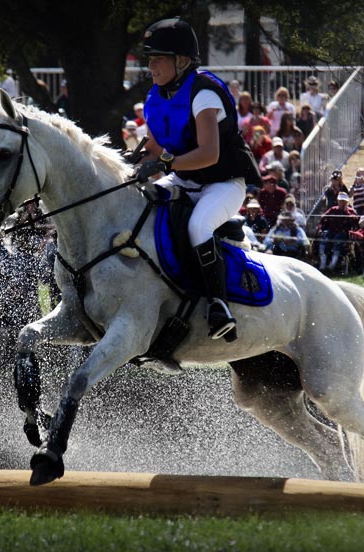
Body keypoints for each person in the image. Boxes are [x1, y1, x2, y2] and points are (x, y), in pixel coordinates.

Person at [136, 17, 262, 341]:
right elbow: (154, 148)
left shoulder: (204, 93)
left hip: (222, 183)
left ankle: (219, 304)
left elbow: (209, 154)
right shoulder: (155, 97)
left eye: (157, 58)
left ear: (181, 61)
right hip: (184, 181)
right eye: (149, 59)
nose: (151, 65)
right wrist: (134, 162)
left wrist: (164, 162)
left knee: (198, 227)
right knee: (140, 205)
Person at [316, 191, 357, 272]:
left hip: (344, 234)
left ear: (347, 201)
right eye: (340, 201)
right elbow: (323, 220)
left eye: (344, 201)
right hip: (331, 232)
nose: (342, 203)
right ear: (338, 201)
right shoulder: (332, 210)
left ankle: (332, 264)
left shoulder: (351, 211)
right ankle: (323, 263)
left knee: (338, 238)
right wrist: (320, 229)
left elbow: (354, 222)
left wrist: (346, 212)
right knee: (324, 235)